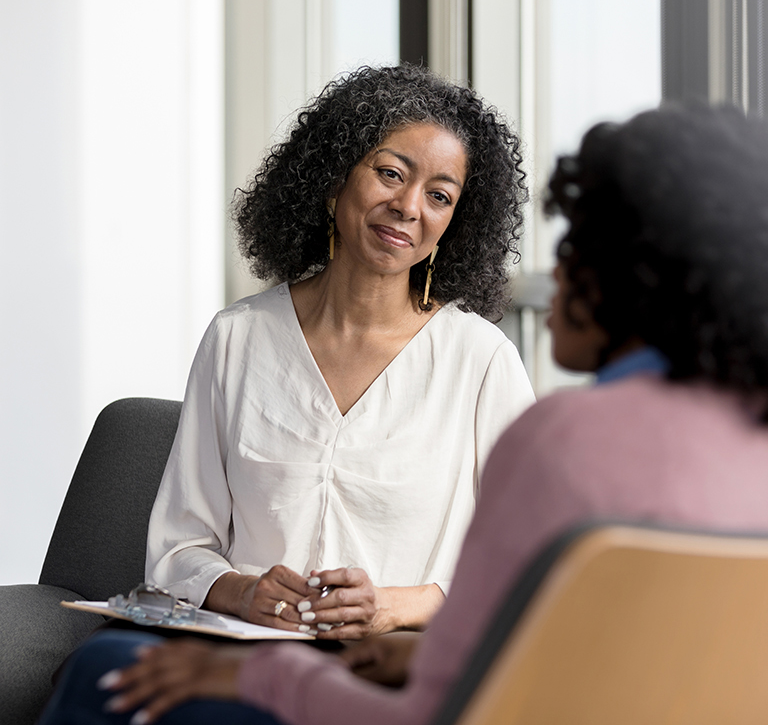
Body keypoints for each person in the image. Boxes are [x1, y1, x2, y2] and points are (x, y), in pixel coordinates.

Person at [42, 102, 768, 725]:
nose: (552, 278)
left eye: (575, 248)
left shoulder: (556, 429)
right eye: (390, 173)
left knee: (103, 673)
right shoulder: (750, 450)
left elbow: (454, 692)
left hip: (399, 697)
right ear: (333, 183)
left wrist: (268, 670)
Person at [143, 64, 535, 641]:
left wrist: (395, 607)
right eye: (389, 173)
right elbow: (179, 547)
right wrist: (242, 591)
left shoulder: (481, 362)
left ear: (454, 223)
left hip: (394, 666)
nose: (408, 206)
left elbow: (529, 560)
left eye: (439, 196)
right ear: (332, 181)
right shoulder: (237, 339)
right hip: (241, 653)